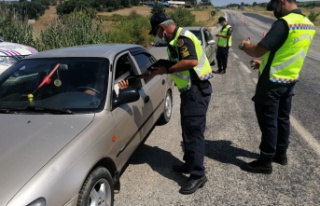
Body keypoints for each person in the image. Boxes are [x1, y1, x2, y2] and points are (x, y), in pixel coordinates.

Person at [238, 0, 316, 174]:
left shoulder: (284, 23)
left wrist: (244, 45)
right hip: (289, 80)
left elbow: (258, 50)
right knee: (282, 119)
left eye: (274, 7)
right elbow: (287, 52)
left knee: (268, 121)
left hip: (272, 82)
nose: (274, 11)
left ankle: (265, 161)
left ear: (281, 2)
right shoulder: (308, 25)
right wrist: (263, 64)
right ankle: (281, 154)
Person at [148, 13, 213, 194]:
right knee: (187, 129)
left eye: (156, 32)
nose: (157, 36)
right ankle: (190, 164)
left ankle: (198, 175)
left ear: (162, 28)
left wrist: (166, 69)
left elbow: (191, 60)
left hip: (196, 91)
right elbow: (180, 61)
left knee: (193, 132)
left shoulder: (182, 38)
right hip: (189, 92)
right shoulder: (176, 40)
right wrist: (163, 66)